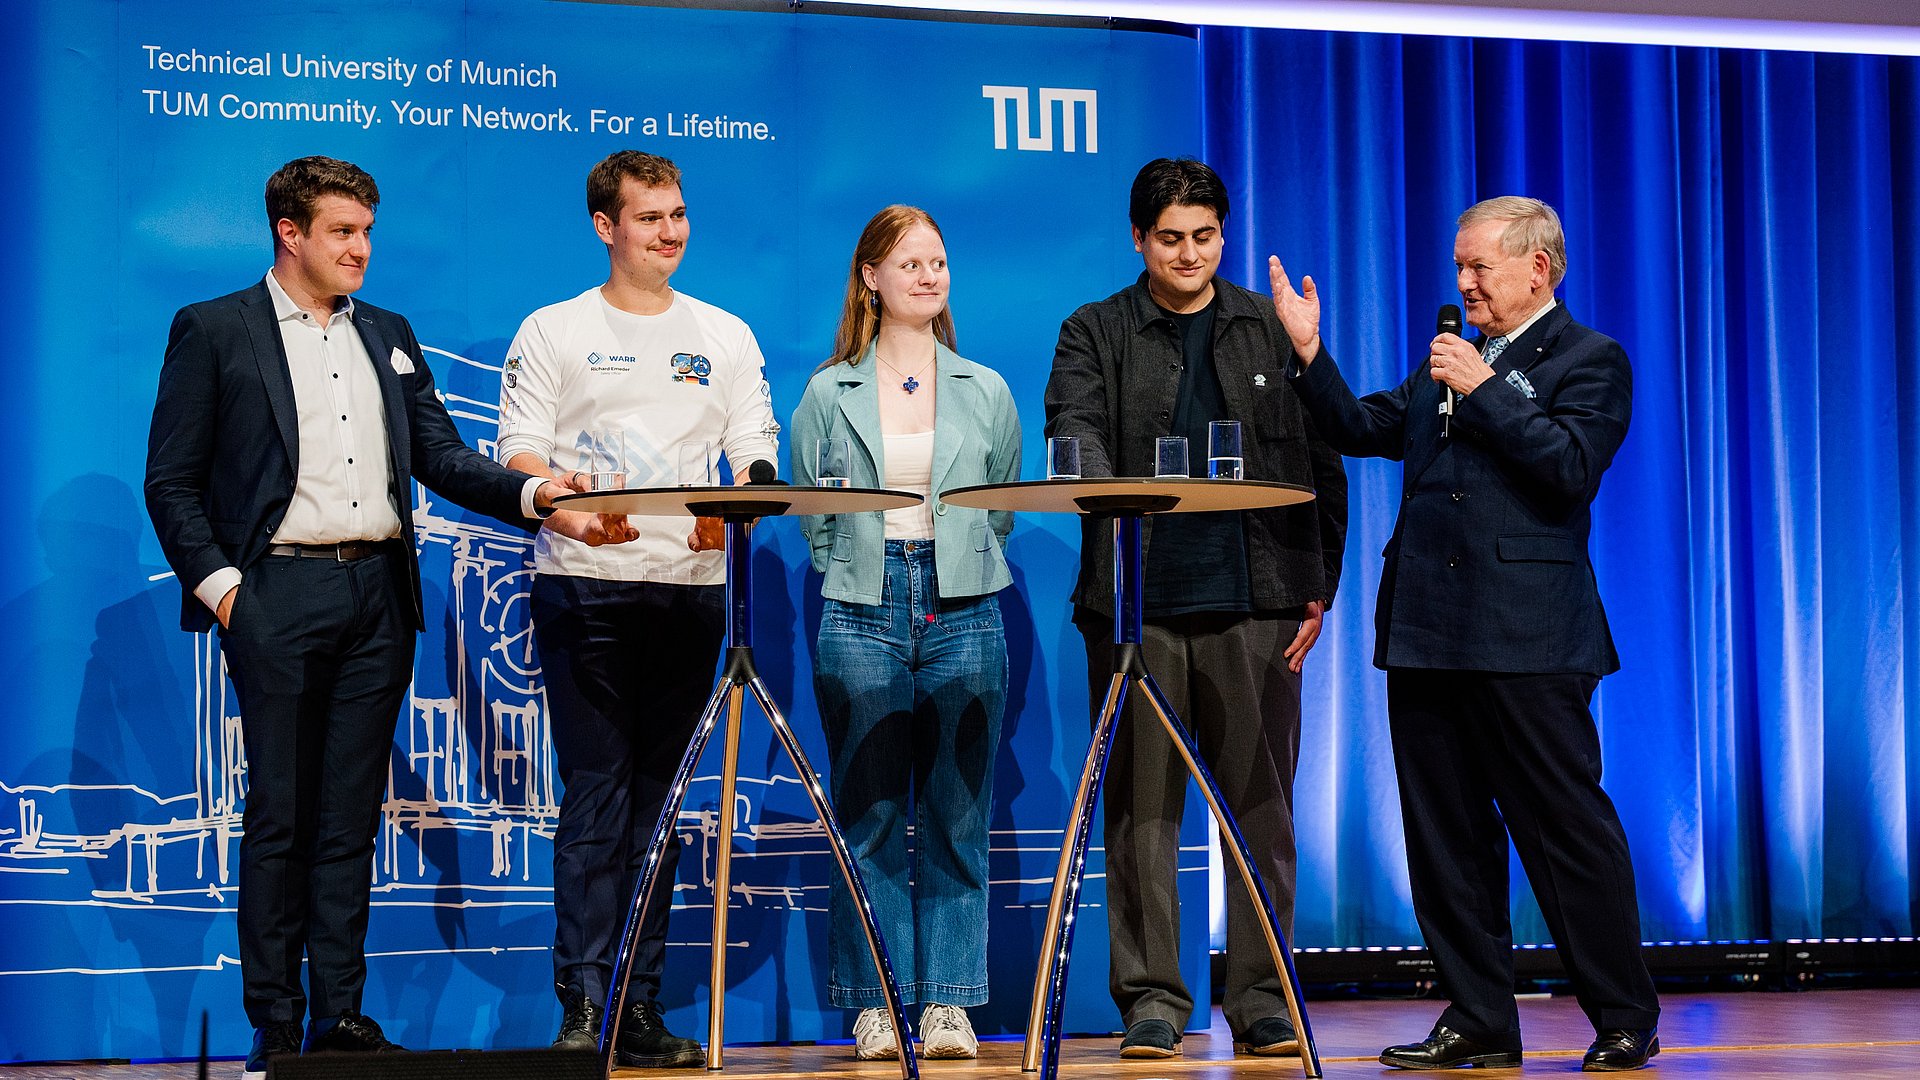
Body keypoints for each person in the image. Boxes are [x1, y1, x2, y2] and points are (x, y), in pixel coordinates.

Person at [143, 156, 575, 1079]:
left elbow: (443, 458)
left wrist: (539, 493)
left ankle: (339, 1014)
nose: (362, 250)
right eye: (343, 232)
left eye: (368, 231)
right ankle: (275, 1018)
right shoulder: (216, 330)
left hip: (378, 595)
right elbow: (172, 482)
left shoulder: (388, 333)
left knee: (349, 818)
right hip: (275, 595)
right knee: (281, 817)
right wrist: (227, 594)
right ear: (289, 234)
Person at [1276, 195, 1660, 1071]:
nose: (1463, 282)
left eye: (1480, 266)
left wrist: (1485, 390)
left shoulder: (1590, 360)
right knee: (1443, 837)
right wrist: (1309, 354)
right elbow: (1362, 426)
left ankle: (1623, 1013)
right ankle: (1480, 1018)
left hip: (1528, 635)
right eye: (1459, 265)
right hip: (1427, 630)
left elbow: (1568, 467)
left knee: (1565, 832)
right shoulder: (1451, 361)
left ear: (1540, 269)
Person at [1042, 158, 1348, 1060]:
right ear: (1140, 240)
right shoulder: (1094, 328)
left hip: (1257, 598)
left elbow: (1321, 458)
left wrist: (1317, 586)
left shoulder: (1267, 325)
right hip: (1135, 603)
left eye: (1204, 236)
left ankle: (1262, 996)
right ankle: (1152, 1000)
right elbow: (1074, 431)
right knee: (1140, 810)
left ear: (1223, 234)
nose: (1188, 253)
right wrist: (1113, 500)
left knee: (1260, 804)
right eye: (1170, 237)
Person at [495, 149, 780, 1068]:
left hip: (690, 594)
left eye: (678, 215)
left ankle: (639, 1005)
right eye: (650, 217)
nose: (670, 232)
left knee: (661, 805)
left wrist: (737, 514)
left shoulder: (725, 333)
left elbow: (755, 449)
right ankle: (583, 1002)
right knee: (597, 797)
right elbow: (518, 454)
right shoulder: (554, 328)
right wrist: (569, 496)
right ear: (605, 226)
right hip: (585, 587)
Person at [788, 206, 1020, 1061]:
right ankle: (880, 999)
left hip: (965, 605)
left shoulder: (984, 387)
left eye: (939, 262)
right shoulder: (829, 389)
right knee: (871, 812)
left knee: (959, 812)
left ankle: (949, 1003)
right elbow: (814, 508)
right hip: (862, 606)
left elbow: (999, 505)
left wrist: (950, 565)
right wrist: (856, 567)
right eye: (910, 263)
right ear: (870, 279)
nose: (929, 276)